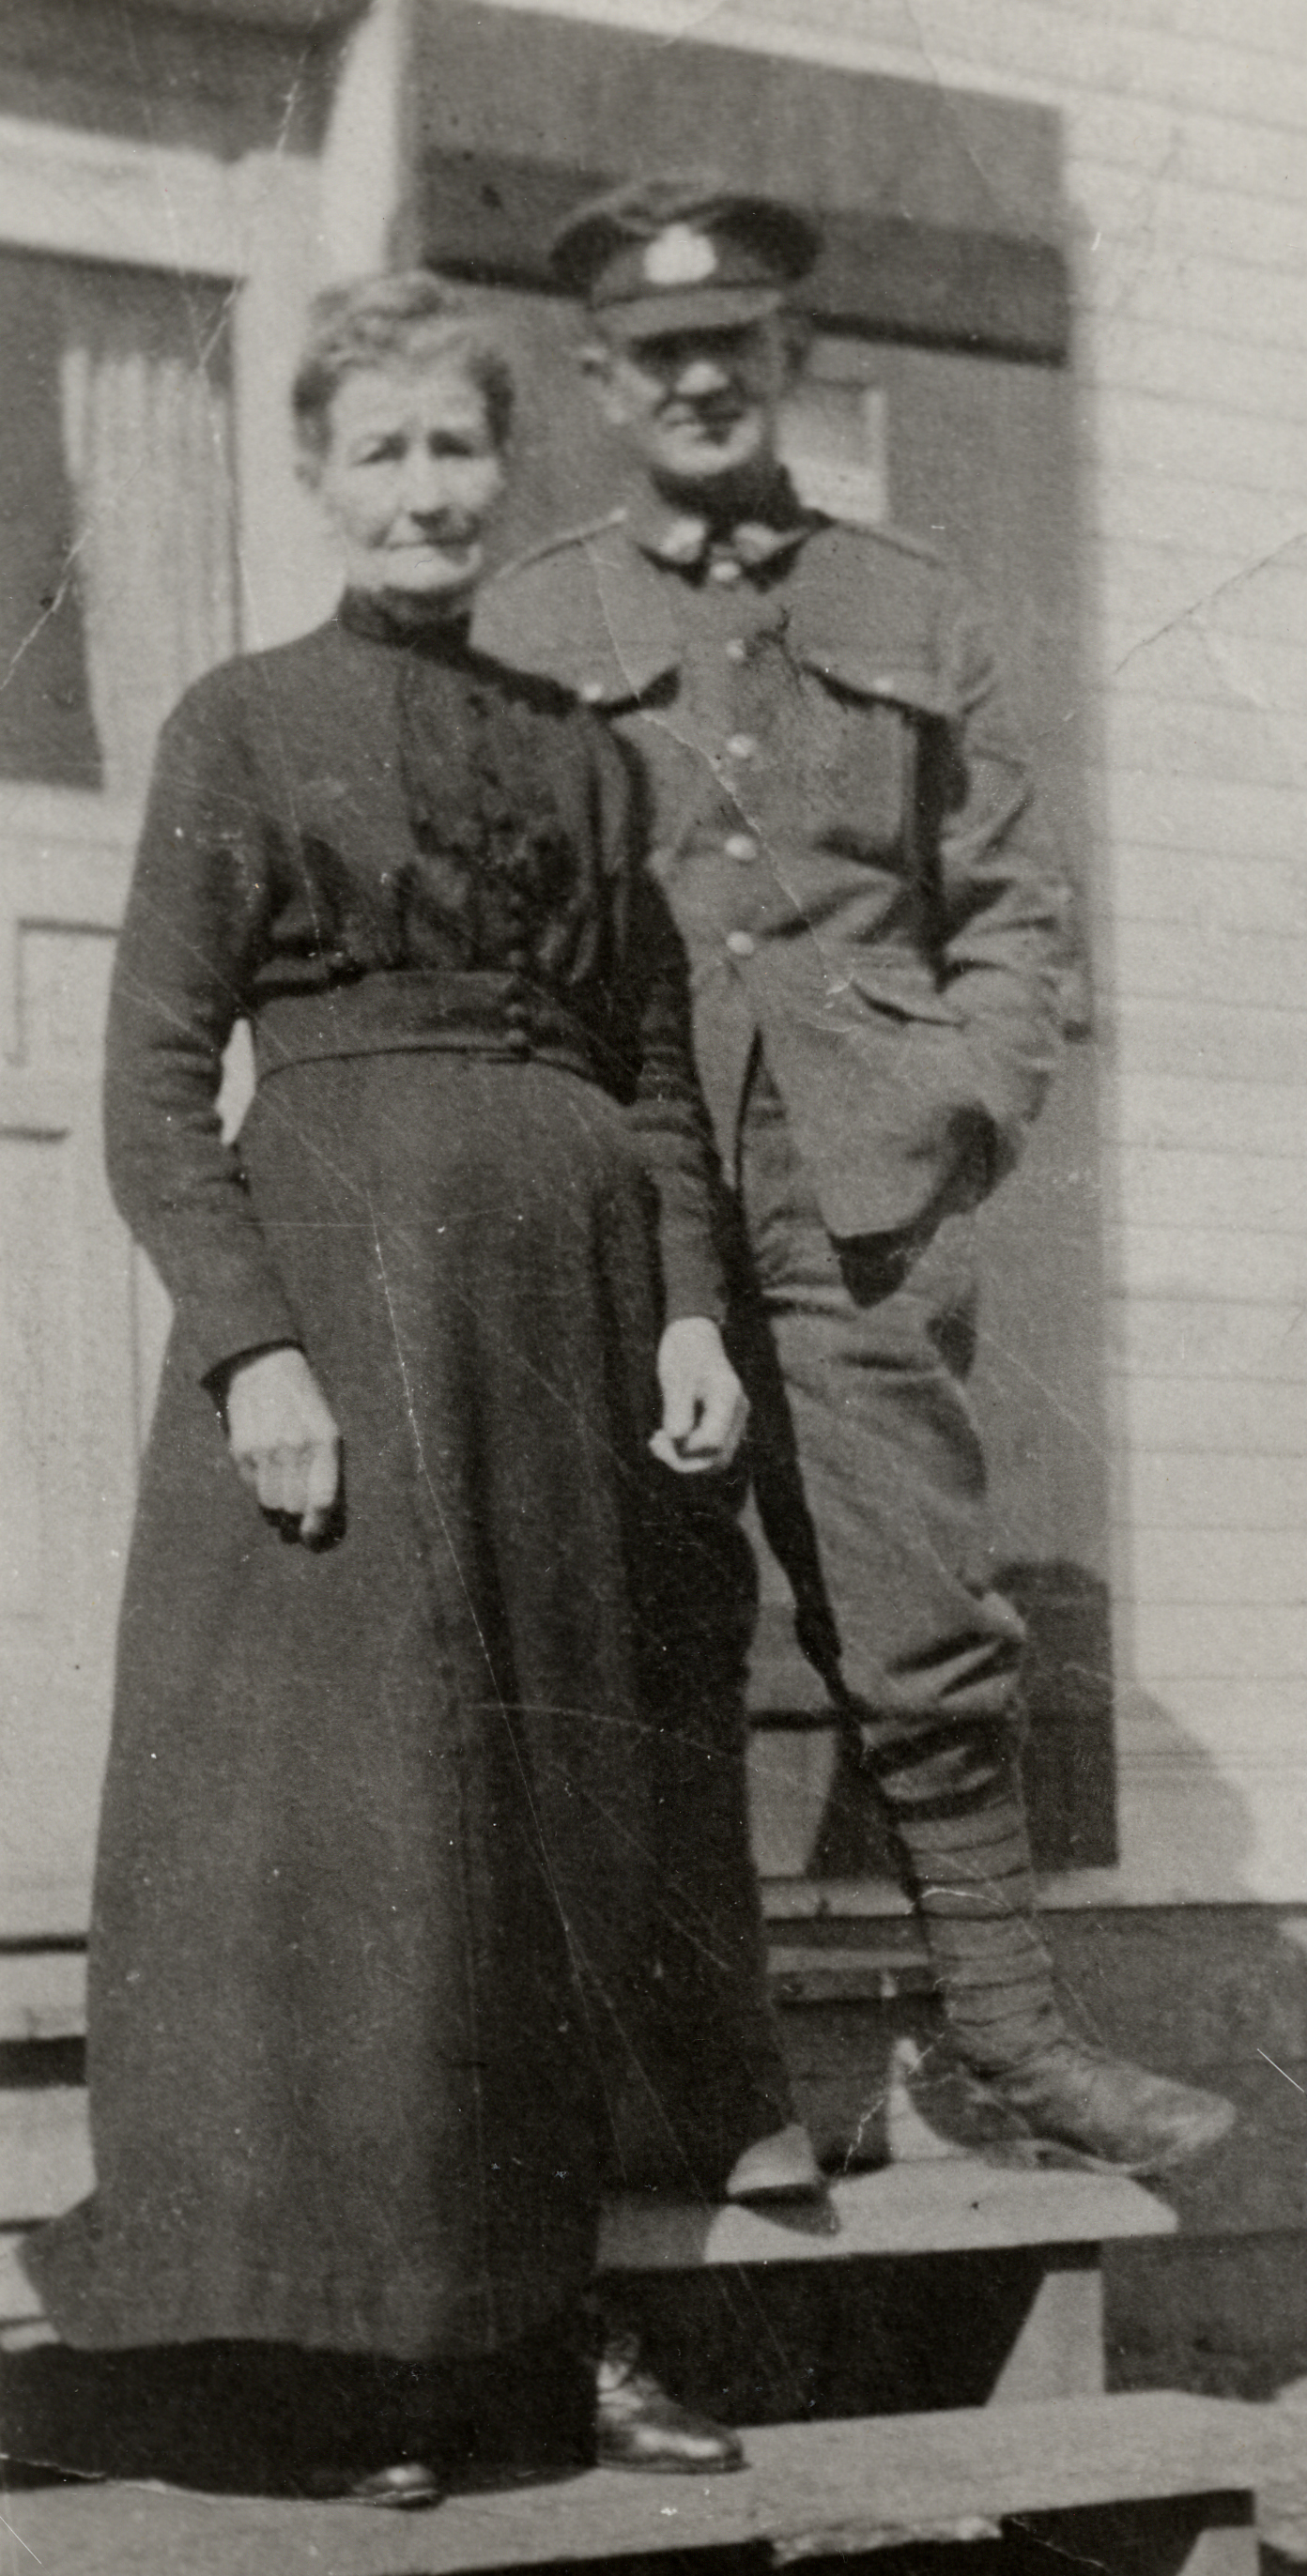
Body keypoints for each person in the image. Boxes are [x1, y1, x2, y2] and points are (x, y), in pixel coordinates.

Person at [21, 272, 778, 2506]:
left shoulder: (590, 756)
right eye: (385, 452)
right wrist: (256, 1345)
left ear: (506, 472)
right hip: (352, 1327)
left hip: (574, 1347)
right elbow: (154, 1082)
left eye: (461, 448)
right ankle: (366, 2368)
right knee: (373, 1839)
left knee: (575, 1831)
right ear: (316, 476)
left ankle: (584, 2335)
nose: (428, 491)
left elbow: (656, 1078)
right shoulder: (242, 725)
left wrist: (691, 1314)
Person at [476, 177, 1237, 2177]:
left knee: (919, 1619)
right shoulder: (531, 622)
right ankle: (699, 2081)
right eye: (658, 358)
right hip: (628, 1191)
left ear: (793, 356)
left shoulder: (916, 605)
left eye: (732, 346)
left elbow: (1015, 912)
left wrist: (962, 1100)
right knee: (647, 1631)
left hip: (863, 1189)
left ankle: (1008, 2039)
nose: (698, 383)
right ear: (600, 383)